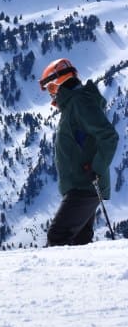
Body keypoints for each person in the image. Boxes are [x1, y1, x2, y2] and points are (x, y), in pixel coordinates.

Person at [39, 58, 119, 246]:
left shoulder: (79, 102)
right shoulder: (74, 104)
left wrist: (97, 167)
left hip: (86, 184)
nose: (51, 95)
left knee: (58, 236)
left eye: (50, 88)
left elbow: (109, 136)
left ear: (59, 82)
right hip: (83, 184)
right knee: (78, 240)